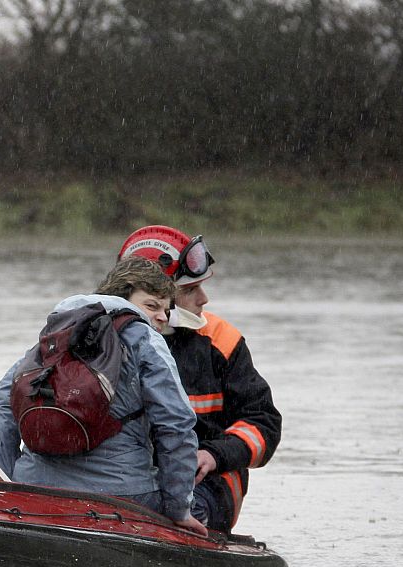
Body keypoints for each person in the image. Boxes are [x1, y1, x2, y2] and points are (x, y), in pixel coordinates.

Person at [0, 256, 208, 536]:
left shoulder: (56, 332)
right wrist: (178, 510)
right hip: (123, 494)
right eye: (152, 305)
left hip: (35, 486)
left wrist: (5, 486)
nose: (162, 317)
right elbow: (176, 423)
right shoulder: (145, 339)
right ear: (118, 297)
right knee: (203, 509)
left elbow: (2, 405)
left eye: (166, 309)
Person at [118, 225, 281, 533]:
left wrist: (214, 454)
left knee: (175, 513)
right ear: (150, 294)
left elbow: (264, 424)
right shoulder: (94, 336)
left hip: (207, 485)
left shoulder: (221, 341)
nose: (204, 299)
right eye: (190, 290)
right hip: (123, 480)